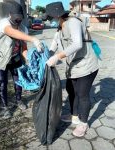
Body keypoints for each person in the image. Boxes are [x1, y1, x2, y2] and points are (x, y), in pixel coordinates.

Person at [46, 2, 99, 137]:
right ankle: (74, 116)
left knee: (82, 95)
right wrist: (48, 55)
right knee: (71, 90)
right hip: (74, 66)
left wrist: (58, 56)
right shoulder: (60, 26)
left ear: (58, 15)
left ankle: (83, 123)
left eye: (51, 17)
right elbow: (55, 43)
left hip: (86, 65)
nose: (51, 20)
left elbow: (77, 43)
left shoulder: (73, 22)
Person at [0, 1, 44, 119]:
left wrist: (28, 59)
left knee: (19, 81)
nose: (17, 21)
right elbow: (12, 32)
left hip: (15, 59)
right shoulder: (4, 23)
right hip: (0, 58)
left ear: (22, 17)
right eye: (15, 18)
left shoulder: (24, 29)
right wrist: (33, 39)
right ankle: (5, 107)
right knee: (2, 83)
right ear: (10, 15)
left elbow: (24, 47)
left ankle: (18, 100)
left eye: (19, 18)